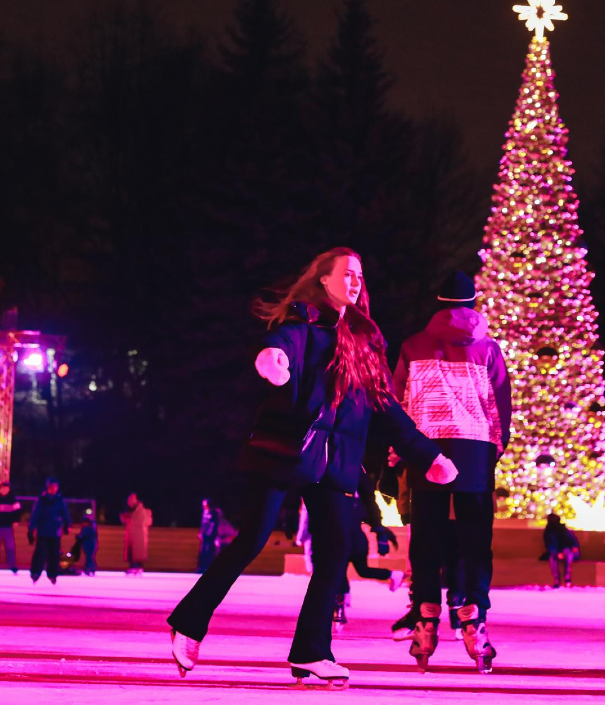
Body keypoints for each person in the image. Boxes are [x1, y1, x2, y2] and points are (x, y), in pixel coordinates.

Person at [166, 247, 458, 689]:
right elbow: (280, 345)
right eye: (347, 273)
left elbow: (386, 406)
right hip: (287, 450)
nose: (355, 282)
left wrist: (428, 455)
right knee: (251, 539)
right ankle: (188, 623)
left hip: (337, 462)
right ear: (324, 279)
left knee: (336, 552)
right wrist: (272, 360)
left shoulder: (366, 342)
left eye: (360, 275)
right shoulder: (303, 323)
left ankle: (311, 652)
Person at [392, 271, 511, 673]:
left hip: (427, 450)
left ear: (439, 303)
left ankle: (426, 617)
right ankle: (474, 615)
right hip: (475, 449)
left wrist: (401, 450)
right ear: (473, 303)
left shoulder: (413, 346)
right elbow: (500, 404)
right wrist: (494, 449)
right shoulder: (488, 349)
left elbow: (398, 400)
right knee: (475, 539)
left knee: (426, 537)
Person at [332, 471, 403, 631]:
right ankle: (341, 603)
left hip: (349, 537)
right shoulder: (355, 492)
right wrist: (378, 529)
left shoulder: (351, 485)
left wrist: (379, 529)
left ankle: (340, 606)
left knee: (343, 570)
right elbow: (369, 502)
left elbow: (369, 502)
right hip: (355, 538)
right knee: (357, 570)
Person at [28, 477, 71, 585]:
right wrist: (32, 528)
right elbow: (36, 514)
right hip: (43, 530)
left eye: (55, 487)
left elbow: (65, 513)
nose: (53, 489)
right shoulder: (42, 500)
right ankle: (35, 572)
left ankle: (52, 574)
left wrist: (67, 524)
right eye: (51, 487)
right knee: (40, 553)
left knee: (54, 554)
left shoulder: (59, 500)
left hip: (55, 531)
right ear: (47, 487)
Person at [0, 482, 21, 573]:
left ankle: (12, 566)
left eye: (6, 488)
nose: (4, 490)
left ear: (8, 489)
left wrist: (16, 521)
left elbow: (17, 512)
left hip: (8, 527)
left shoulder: (13, 500)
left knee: (10, 547)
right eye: (2, 488)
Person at [543, 514, 581, 588]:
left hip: (569, 551)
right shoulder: (549, 532)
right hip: (556, 552)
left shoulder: (564, 530)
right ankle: (557, 580)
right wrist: (557, 553)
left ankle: (567, 578)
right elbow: (550, 545)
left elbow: (573, 541)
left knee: (568, 554)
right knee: (552, 558)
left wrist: (574, 547)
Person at [121, 493, 153, 575]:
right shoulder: (131, 510)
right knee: (132, 552)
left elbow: (140, 521)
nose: (129, 502)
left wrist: (127, 517)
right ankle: (134, 567)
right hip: (132, 534)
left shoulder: (140, 511)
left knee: (137, 552)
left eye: (131, 499)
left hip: (138, 535)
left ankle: (136, 567)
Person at [197, 499, 221, 574]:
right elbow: (203, 523)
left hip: (211, 536)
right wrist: (201, 532)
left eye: (205, 504)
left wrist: (213, 535)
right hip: (204, 536)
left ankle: (208, 568)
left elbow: (215, 524)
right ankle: (201, 568)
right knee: (202, 551)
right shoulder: (204, 512)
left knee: (209, 552)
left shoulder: (214, 512)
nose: (204, 506)